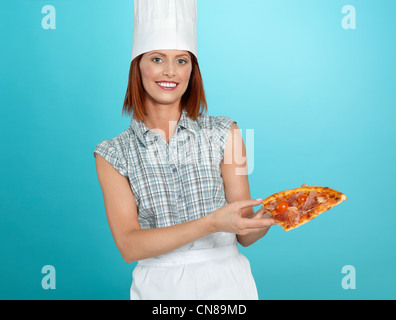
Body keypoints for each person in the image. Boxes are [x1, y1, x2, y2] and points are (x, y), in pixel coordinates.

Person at [93, 0, 278, 300]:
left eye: (181, 60)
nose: (170, 72)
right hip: (159, 291)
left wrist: (277, 212)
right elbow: (129, 246)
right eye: (156, 59)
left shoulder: (225, 133)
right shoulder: (113, 154)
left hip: (228, 286)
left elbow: (244, 233)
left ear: (193, 69)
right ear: (137, 65)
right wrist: (211, 223)